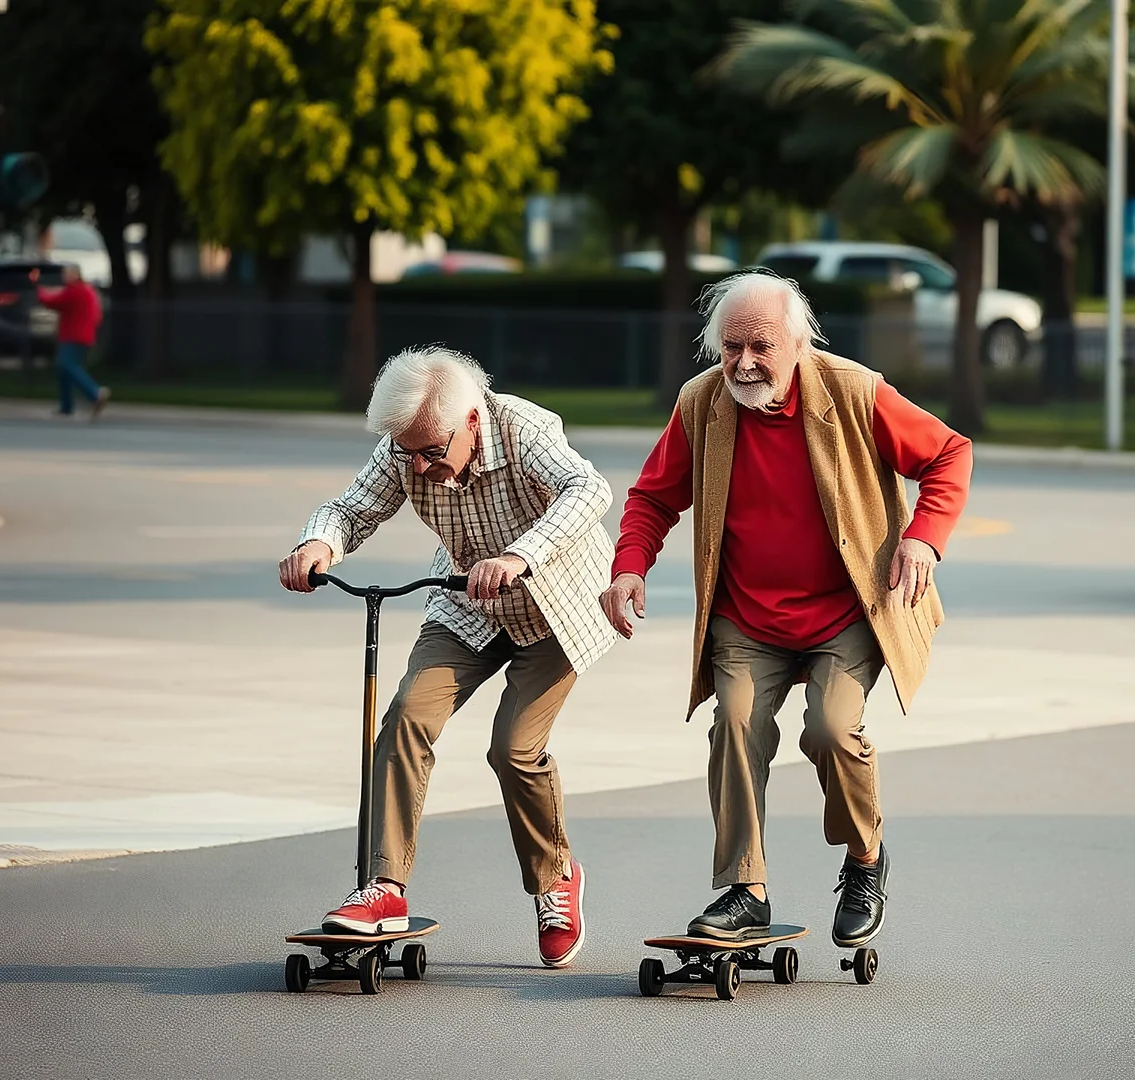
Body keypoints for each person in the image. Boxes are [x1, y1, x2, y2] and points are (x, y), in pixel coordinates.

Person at [600, 271, 972, 947]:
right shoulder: (701, 403)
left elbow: (949, 453)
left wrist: (923, 539)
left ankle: (864, 859)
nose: (743, 363)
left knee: (832, 730)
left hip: (849, 610)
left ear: (798, 343)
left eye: (761, 348)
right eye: (731, 347)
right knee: (734, 726)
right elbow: (653, 498)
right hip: (747, 615)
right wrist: (629, 568)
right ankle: (746, 889)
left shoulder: (855, 391)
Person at [278, 346, 616, 967]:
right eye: (409, 453)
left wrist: (520, 556)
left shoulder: (521, 427)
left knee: (513, 747)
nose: (421, 466)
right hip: (467, 601)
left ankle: (555, 879)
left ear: (470, 420)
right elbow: (351, 508)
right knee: (407, 714)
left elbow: (589, 489)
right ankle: (383, 887)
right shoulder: (409, 449)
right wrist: (318, 543)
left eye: (433, 450)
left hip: (554, 602)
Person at [32, 265, 108, 419]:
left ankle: (95, 393)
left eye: (67, 274)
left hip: (73, 336)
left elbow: (52, 301)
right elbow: (97, 315)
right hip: (84, 336)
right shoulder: (88, 290)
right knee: (64, 371)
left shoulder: (75, 291)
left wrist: (37, 287)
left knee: (67, 365)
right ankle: (66, 406)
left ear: (75, 275)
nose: (64, 277)